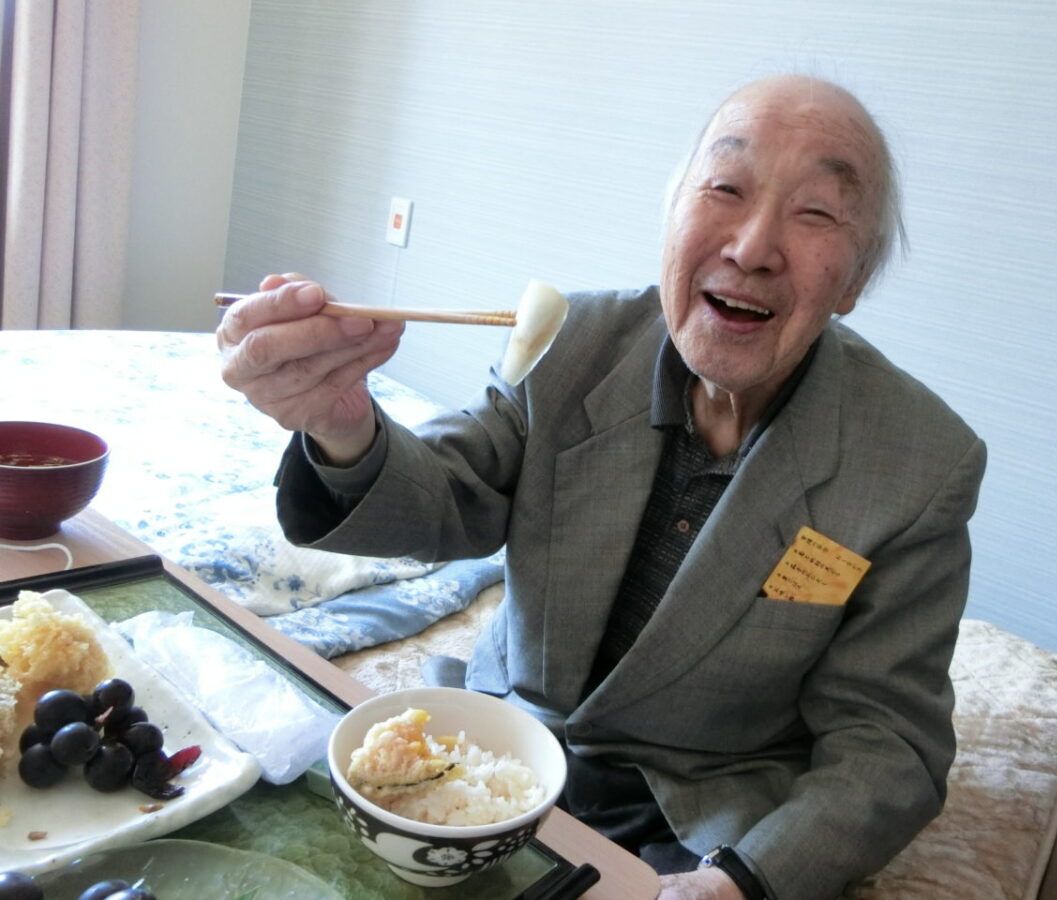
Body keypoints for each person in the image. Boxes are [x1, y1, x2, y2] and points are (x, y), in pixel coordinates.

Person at [218, 74, 986, 900]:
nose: (753, 247)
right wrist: (342, 424)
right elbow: (451, 492)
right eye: (725, 188)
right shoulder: (573, 343)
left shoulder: (919, 463)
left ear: (854, 281)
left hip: (699, 817)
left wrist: (745, 880)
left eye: (816, 213)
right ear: (673, 213)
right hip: (503, 752)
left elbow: (888, 742)